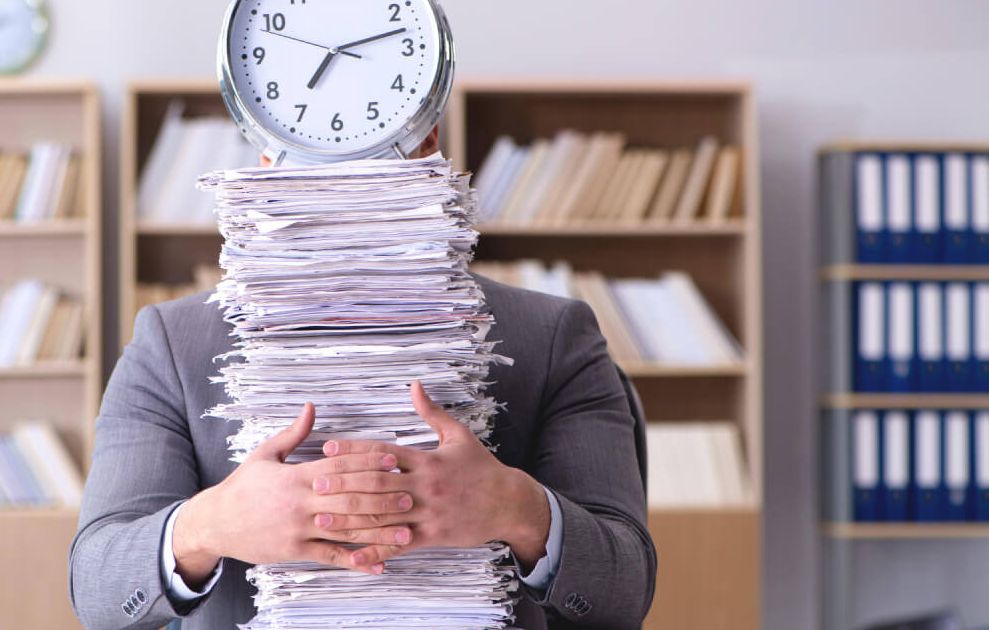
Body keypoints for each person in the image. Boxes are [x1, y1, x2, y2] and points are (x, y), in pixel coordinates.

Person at [68, 126, 656, 630]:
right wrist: (206, 527)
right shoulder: (172, 341)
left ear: (425, 143)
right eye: (313, 143)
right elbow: (96, 587)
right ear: (266, 155)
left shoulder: (554, 334)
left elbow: (625, 589)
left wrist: (520, 510)